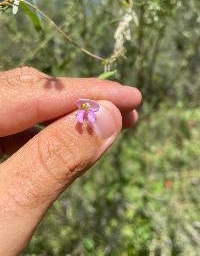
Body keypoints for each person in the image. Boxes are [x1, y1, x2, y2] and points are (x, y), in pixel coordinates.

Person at [0, 66, 142, 255]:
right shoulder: (83, 110)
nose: (84, 108)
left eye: (85, 107)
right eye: (83, 107)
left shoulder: (87, 110)